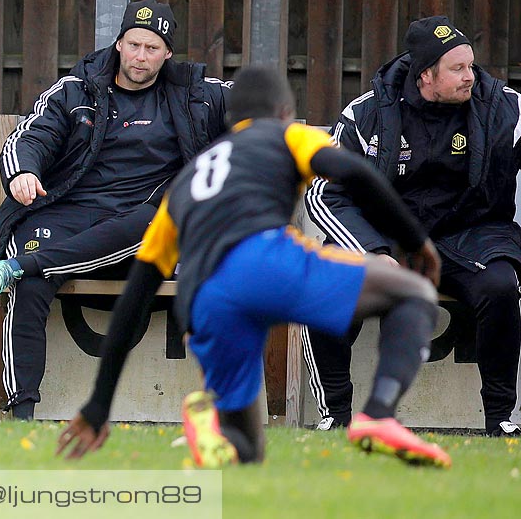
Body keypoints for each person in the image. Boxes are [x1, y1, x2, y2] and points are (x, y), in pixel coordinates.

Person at [59, 65, 450, 468]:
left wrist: (98, 405)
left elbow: (135, 298)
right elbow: (352, 171)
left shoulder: (187, 181)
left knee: (245, 451)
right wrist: (416, 241)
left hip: (203, 301)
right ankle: (380, 414)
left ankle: (211, 422)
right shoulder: (287, 134)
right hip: (261, 261)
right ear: (283, 110)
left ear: (230, 121)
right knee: (414, 294)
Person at [0, 0, 230, 419]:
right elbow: (30, 137)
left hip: (141, 234)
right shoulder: (77, 90)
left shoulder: (195, 95)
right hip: (72, 215)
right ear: (118, 44)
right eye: (133, 45)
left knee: (161, 220)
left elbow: (258, 112)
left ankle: (27, 263)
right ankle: (19, 415)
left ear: (167, 54)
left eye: (152, 48)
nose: (140, 57)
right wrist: (23, 172)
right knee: (31, 282)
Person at [304, 17, 521, 437]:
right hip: (386, 238)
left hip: (467, 235)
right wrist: (374, 252)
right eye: (458, 69)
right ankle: (336, 415)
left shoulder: (502, 108)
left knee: (499, 287)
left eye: (472, 66)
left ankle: (500, 420)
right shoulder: (368, 113)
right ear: (426, 75)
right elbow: (323, 194)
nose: (470, 77)